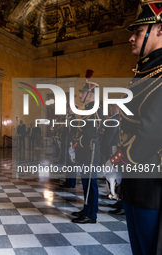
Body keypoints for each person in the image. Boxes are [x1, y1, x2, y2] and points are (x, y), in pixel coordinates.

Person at [107, 2, 162, 253]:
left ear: (159, 30)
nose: (131, 38)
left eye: (138, 31)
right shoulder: (146, 73)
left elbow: (152, 132)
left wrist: (120, 158)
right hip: (135, 181)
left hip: (151, 187)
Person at [71, 81, 103, 224]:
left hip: (90, 150)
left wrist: (80, 142)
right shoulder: (88, 108)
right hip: (85, 150)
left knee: (90, 182)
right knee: (85, 182)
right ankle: (86, 209)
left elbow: (92, 131)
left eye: (82, 93)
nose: (80, 95)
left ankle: (91, 215)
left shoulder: (96, 110)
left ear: (90, 95)